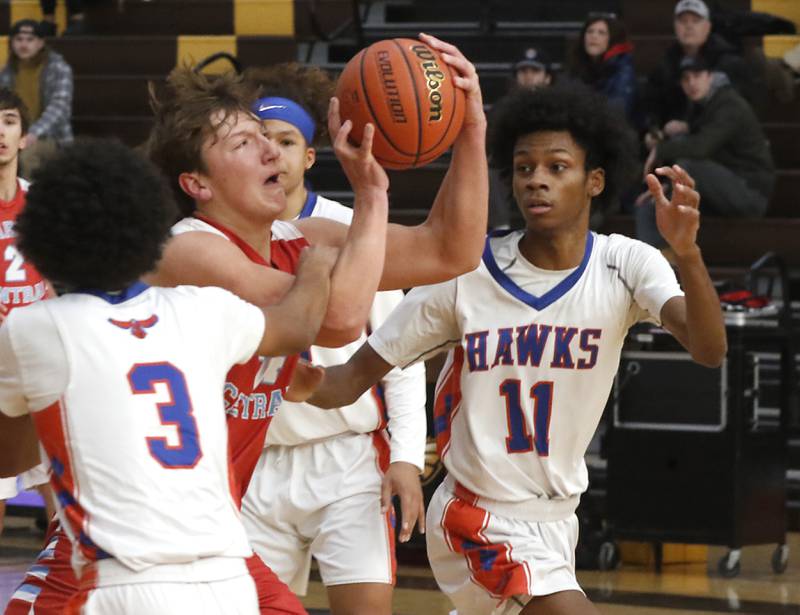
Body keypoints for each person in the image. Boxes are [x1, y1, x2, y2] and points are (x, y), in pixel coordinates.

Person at [305, 84, 728, 615]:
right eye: (525, 168)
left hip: (557, 520)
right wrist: (265, 372)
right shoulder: (467, 273)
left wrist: (687, 254)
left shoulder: (626, 263)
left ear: (594, 180)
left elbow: (709, 349)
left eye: (557, 167)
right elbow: (350, 379)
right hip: (474, 515)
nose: (536, 181)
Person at [0, 138, 338, 614]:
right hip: (227, 582)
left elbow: (8, 459)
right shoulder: (204, 310)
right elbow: (297, 326)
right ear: (149, 229)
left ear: (41, 240)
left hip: (124, 584)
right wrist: (317, 267)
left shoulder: (36, 328)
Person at [240, 62, 427, 615]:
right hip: (256, 460)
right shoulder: (226, 235)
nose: (271, 152)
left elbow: (401, 354)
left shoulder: (354, 229)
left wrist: (408, 459)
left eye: (286, 140)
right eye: (257, 141)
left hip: (347, 461)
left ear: (308, 156)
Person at [637, 55, 775, 250]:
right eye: (685, 79)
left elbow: (702, 148)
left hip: (749, 192)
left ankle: (677, 254)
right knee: (647, 207)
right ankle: (654, 266)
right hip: (718, 187)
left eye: (697, 75)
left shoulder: (729, 104)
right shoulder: (702, 105)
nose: (691, 83)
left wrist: (660, 149)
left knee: (687, 165)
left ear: (710, 76)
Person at [0, 88, 55, 542]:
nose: (0, 131)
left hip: (41, 363)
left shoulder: (41, 204)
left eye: (9, 120)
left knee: (66, 498)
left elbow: (61, 280)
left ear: (24, 137)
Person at [642, 0, 757, 138]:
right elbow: (652, 105)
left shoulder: (729, 64)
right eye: (683, 21)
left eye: (695, 21)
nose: (689, 26)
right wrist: (654, 130)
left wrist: (690, 126)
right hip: (675, 141)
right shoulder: (665, 65)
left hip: (722, 142)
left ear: (708, 27)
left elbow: (736, 113)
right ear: (675, 26)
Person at [0, 20, 73, 178]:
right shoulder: (8, 71)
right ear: (11, 43)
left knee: (28, 156)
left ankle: (31, 201)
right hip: (15, 133)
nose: (24, 44)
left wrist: (33, 133)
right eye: (19, 39)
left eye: (30, 39)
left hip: (49, 136)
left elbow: (59, 108)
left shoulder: (57, 67)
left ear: (41, 43)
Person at [567, 13, 637, 123]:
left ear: (612, 40)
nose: (593, 36)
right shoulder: (577, 67)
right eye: (590, 31)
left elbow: (616, 113)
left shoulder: (622, 70)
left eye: (601, 33)